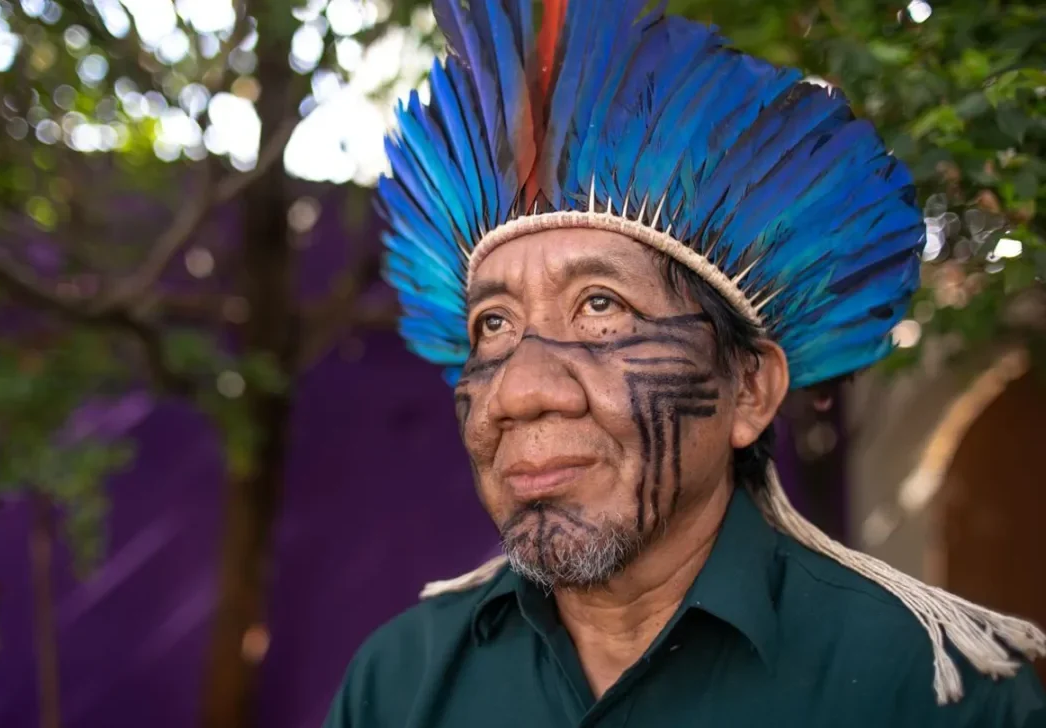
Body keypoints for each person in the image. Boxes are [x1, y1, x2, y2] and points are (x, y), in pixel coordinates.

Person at [325, 1, 1046, 725]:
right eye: (494, 323)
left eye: (601, 306)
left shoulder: (929, 693)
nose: (519, 390)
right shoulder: (399, 684)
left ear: (750, 389)